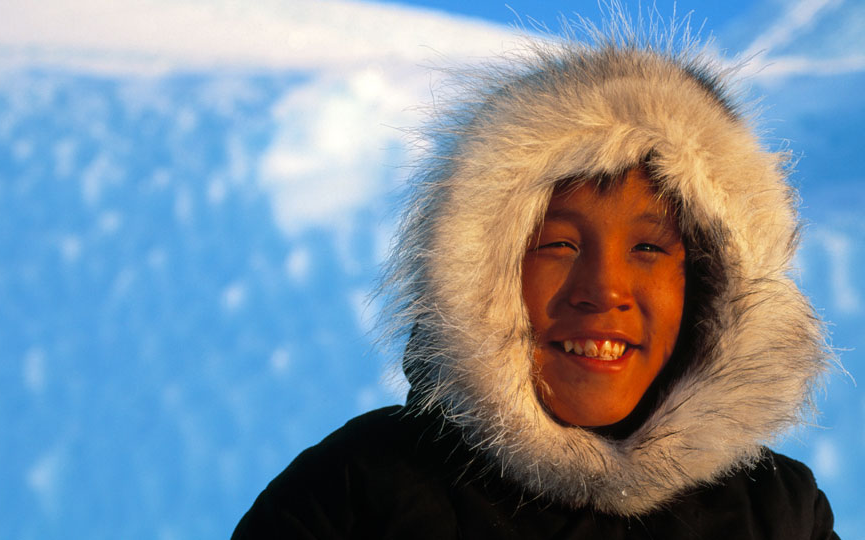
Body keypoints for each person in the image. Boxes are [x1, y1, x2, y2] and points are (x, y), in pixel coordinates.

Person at [233, 14, 839, 540]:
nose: (603, 289)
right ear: (484, 272)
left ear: (711, 288)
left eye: (650, 247)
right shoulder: (350, 502)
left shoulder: (778, 516)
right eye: (558, 244)